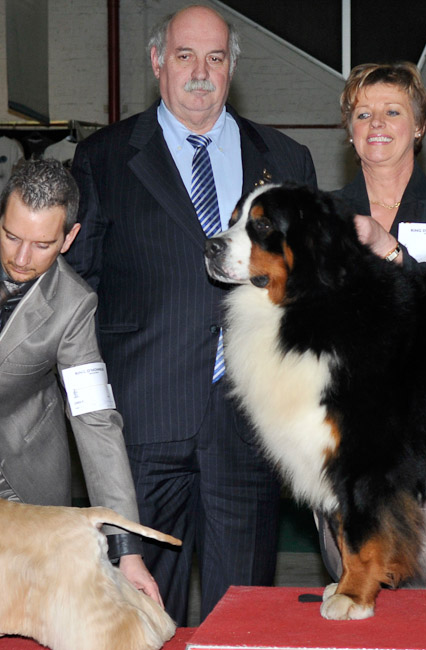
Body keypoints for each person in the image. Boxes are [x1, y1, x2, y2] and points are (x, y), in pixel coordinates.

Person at [66, 5, 317, 625]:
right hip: (143, 422)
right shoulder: (103, 157)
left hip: (248, 423)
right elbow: (78, 288)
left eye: (216, 58)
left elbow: (310, 291)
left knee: (244, 616)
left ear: (233, 67)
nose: (200, 72)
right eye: (185, 56)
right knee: (140, 614)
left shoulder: (286, 161)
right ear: (157, 62)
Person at [316, 61, 426, 590]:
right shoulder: (321, 217)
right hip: (350, 431)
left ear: (419, 126)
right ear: (350, 132)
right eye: (363, 114)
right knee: (361, 594)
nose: (377, 123)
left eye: (393, 111)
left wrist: (388, 250)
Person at [0, 158, 162, 606]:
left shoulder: (75, 306)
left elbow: (95, 422)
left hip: (18, 477)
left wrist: (125, 550)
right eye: (11, 236)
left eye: (41, 244)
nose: (19, 258)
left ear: (69, 238)